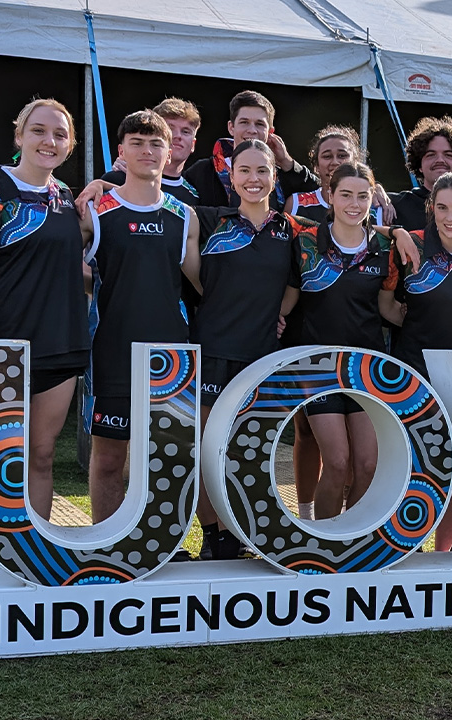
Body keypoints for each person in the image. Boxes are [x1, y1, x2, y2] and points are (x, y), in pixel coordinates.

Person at [0, 98, 89, 521]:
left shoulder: (66, 198)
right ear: (19, 136)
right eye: (38, 130)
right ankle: (7, 547)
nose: (49, 141)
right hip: (9, 351)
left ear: (70, 145)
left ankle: (37, 547)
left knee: (42, 453)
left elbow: (73, 268)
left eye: (60, 134)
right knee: (4, 456)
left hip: (61, 345)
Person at [190, 138, 315, 559]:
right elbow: (155, 201)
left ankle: (242, 531)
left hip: (261, 357)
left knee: (245, 452)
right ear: (231, 176)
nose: (253, 178)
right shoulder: (210, 219)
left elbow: (300, 278)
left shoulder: (292, 229)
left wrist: (278, 312)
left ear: (274, 176)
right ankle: (214, 537)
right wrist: (101, 185)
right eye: (244, 170)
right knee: (207, 451)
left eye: (262, 170)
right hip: (212, 351)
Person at [82, 110, 201, 524]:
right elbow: (63, 270)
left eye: (155, 144)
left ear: (169, 153)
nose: (147, 151)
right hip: (113, 352)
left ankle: (159, 545)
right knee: (109, 458)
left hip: (170, 358)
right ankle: (107, 544)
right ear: (122, 151)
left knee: (166, 459)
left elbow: (204, 285)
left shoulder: (184, 216)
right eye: (137, 142)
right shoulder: (96, 210)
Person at [281, 162, 400, 519]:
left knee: (367, 464)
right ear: (330, 196)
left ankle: (352, 536)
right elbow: (288, 300)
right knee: (336, 461)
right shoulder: (306, 241)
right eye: (346, 194)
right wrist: (272, 319)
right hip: (318, 368)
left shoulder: (385, 247)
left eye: (363, 196)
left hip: (366, 368)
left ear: (373, 199)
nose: (354, 204)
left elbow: (387, 308)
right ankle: (324, 540)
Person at [385, 171, 452, 552]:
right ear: (431, 208)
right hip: (413, 370)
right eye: (442, 207)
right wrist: (394, 231)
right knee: (413, 462)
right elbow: (386, 303)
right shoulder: (411, 244)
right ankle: (406, 544)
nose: (450, 217)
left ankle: (445, 549)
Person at [182, 90, 319, 208]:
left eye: (260, 124)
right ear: (231, 127)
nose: (252, 130)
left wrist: (287, 163)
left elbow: (320, 194)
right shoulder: (203, 171)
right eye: (244, 122)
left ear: (270, 132)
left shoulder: (282, 175)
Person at [101, 97, 202, 206]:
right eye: (170, 128)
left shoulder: (195, 195)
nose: (178, 136)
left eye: (185, 131)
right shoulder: (117, 179)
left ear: (193, 144)